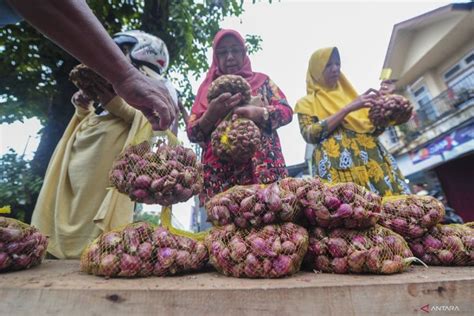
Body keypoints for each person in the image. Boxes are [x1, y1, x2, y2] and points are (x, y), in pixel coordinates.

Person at [31, 31, 179, 259]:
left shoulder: (158, 85)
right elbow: (92, 121)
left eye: (123, 51)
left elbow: (158, 125)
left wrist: (114, 102)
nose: (113, 57)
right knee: (65, 220)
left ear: (142, 50)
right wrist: (84, 107)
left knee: (99, 240)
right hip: (76, 177)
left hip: (105, 178)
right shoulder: (106, 81)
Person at [2, 0, 175, 130]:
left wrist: (124, 78)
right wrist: (83, 109)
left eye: (122, 52)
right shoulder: (119, 84)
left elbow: (156, 129)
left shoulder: (157, 89)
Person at [187, 29, 292, 205]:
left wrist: (259, 113)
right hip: (222, 179)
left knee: (271, 227)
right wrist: (211, 114)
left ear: (244, 53)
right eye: (222, 52)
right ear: (216, 57)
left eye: (235, 50)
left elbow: (287, 111)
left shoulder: (263, 81)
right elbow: (192, 133)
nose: (229, 57)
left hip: (264, 171)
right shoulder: (207, 90)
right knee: (227, 229)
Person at [294, 47, 410, 196]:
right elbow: (310, 134)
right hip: (339, 169)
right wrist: (347, 109)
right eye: (328, 65)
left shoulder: (354, 97)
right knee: (353, 211)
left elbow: (375, 130)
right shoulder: (306, 103)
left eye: (337, 63)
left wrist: (384, 103)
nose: (335, 68)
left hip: (374, 164)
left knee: (391, 211)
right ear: (316, 70)